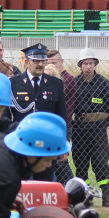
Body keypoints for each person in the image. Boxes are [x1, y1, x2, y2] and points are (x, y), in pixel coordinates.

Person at [9, 43, 68, 181]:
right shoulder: (14, 84)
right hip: (22, 143)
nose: (40, 64)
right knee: (21, 184)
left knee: (45, 183)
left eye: (43, 61)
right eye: (36, 61)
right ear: (26, 62)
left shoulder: (56, 84)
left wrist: (64, 143)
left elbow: (62, 116)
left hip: (46, 143)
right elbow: (7, 115)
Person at [72, 48, 109, 207]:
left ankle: (107, 197)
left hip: (98, 132)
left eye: (91, 63)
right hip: (79, 131)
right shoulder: (74, 83)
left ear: (95, 64)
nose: (88, 67)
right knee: (81, 164)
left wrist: (103, 124)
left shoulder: (104, 83)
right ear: (80, 65)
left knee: (101, 163)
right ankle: (83, 198)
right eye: (85, 63)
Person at [46, 49, 78, 185]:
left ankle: (72, 188)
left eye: (54, 62)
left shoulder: (68, 80)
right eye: (49, 63)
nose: (51, 65)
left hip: (63, 125)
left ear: (61, 62)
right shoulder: (50, 80)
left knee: (61, 161)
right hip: (50, 126)